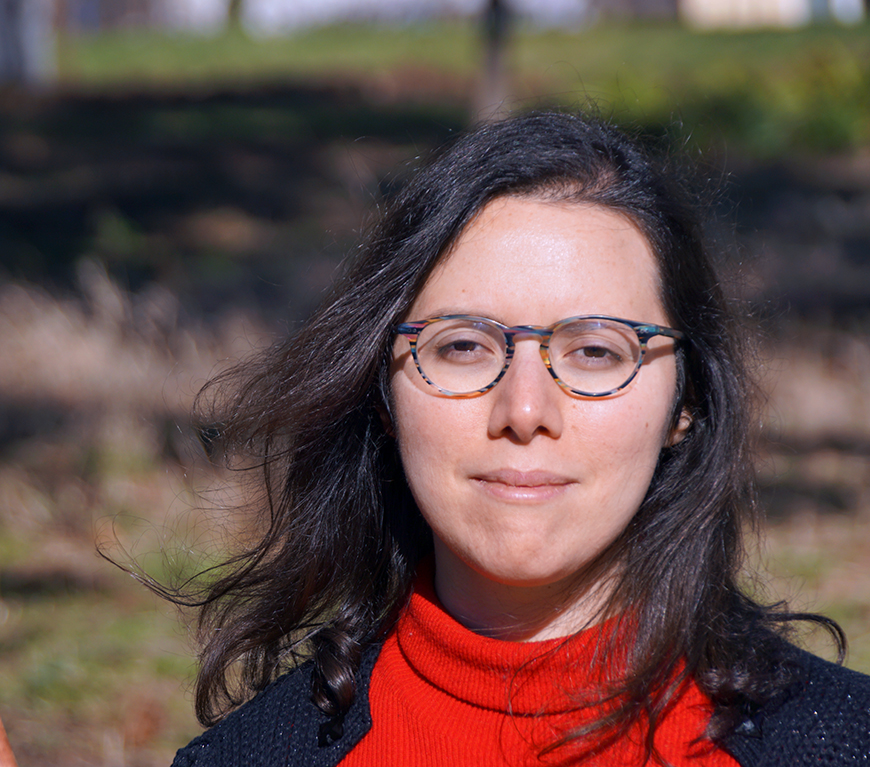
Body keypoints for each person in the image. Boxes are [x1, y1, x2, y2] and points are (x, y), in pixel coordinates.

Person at [167, 112, 870, 765]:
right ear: (382, 391)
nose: (525, 409)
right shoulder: (250, 755)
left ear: (684, 401)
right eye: (464, 345)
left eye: (596, 350)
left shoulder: (841, 742)